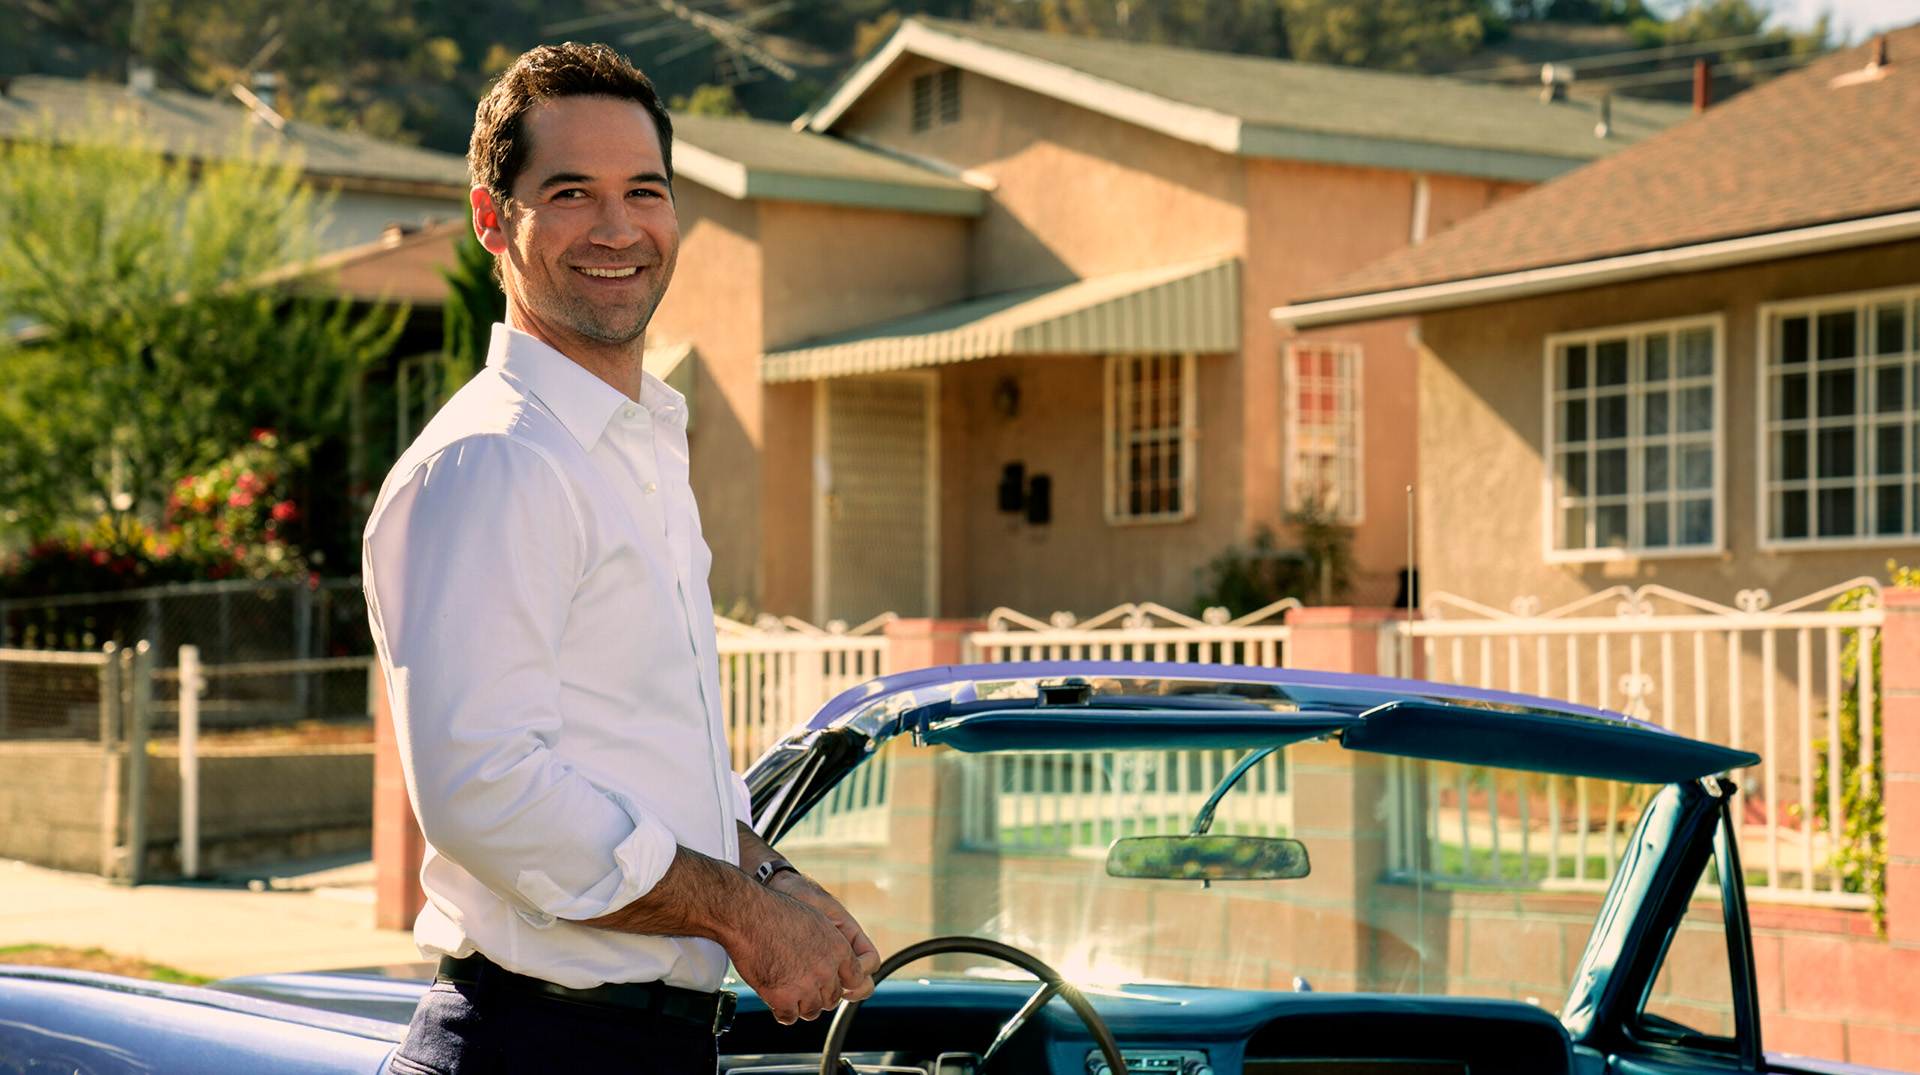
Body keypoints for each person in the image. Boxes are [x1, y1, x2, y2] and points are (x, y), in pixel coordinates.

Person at [363, 42, 879, 1075]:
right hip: (536, 1043)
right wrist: (740, 915)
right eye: (570, 193)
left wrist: (775, 884)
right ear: (490, 220)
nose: (617, 228)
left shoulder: (635, 449)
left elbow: (645, 758)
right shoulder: (494, 460)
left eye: (645, 191)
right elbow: (486, 790)